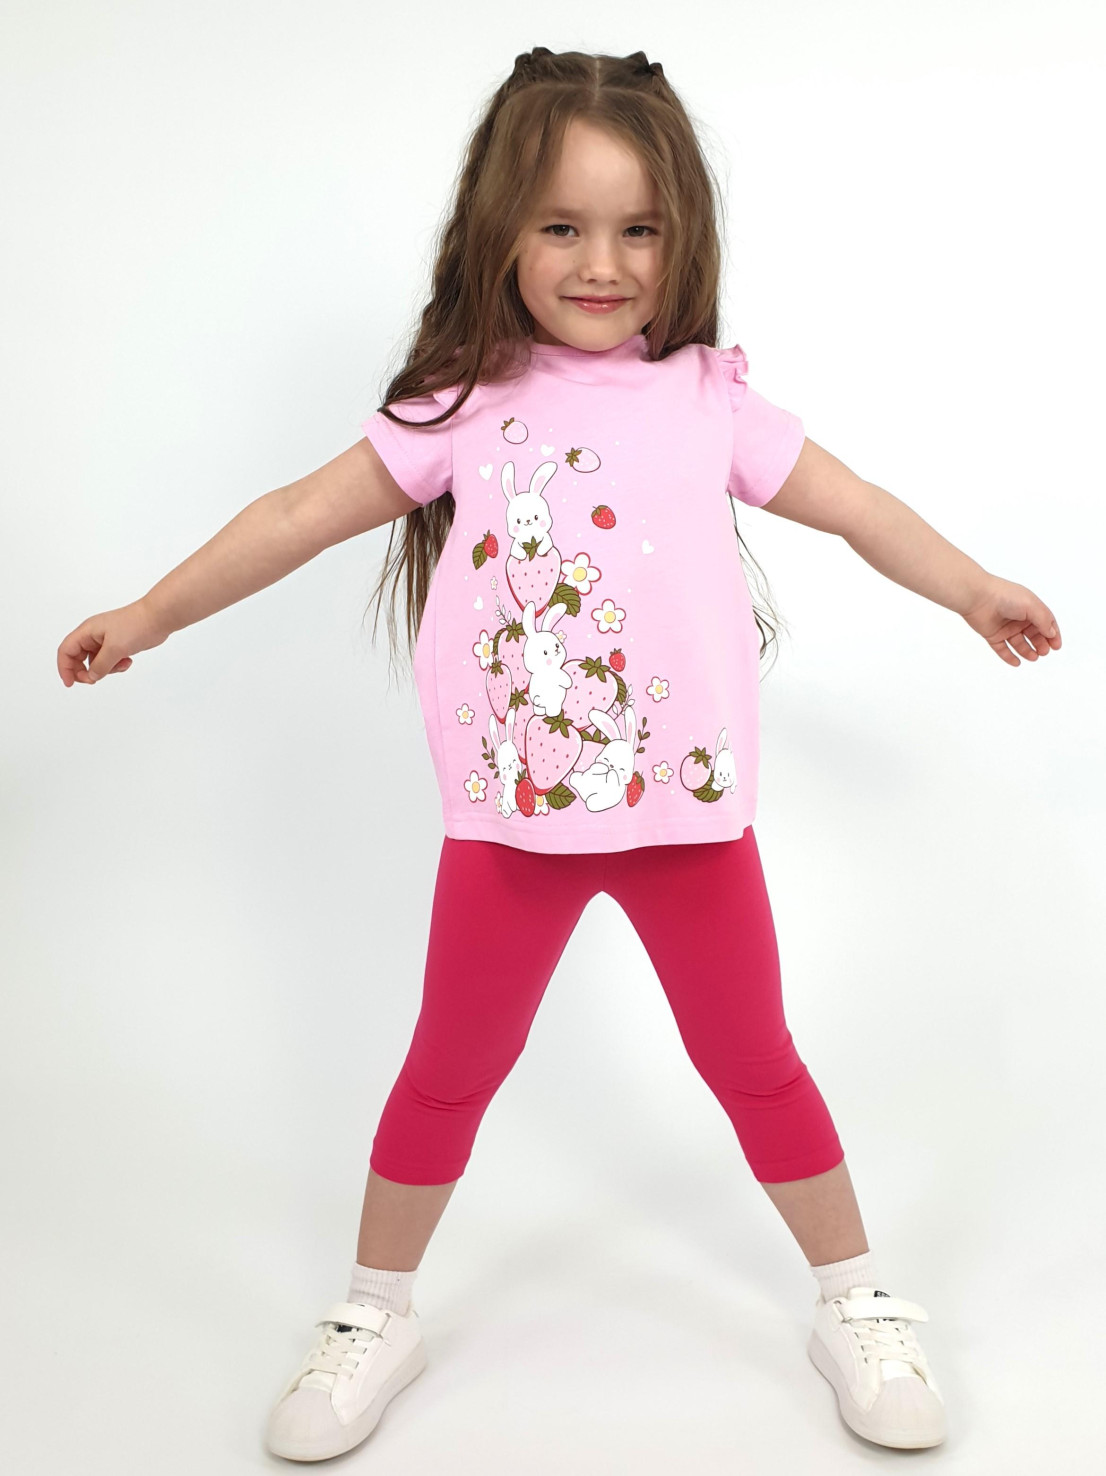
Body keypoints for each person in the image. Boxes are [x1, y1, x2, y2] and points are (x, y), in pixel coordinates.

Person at [57, 45, 1062, 1464]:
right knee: (447, 1069)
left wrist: (971, 588)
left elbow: (857, 508)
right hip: (513, 827)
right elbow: (292, 516)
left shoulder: (709, 399)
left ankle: (854, 1301)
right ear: (501, 233)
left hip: (687, 824)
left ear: (681, 235)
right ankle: (374, 1313)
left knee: (756, 1062)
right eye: (562, 226)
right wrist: (152, 613)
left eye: (637, 228)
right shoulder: (461, 404)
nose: (602, 263)